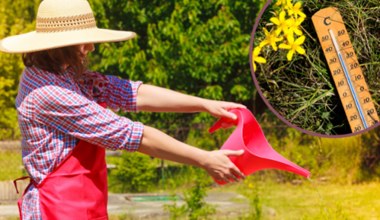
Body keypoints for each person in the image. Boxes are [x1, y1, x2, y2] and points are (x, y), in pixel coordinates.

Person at [0, 0, 246, 219]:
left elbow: (129, 92)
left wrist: (204, 104)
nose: (92, 48)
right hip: (60, 209)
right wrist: (205, 159)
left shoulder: (61, 73)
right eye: (84, 42)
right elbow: (133, 135)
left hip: (82, 205)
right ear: (61, 45)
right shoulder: (49, 93)